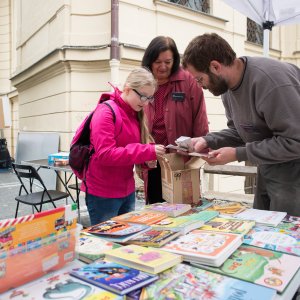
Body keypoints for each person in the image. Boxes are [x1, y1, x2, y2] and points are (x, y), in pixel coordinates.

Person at [182, 33, 300, 216]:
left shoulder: (271, 82)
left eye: (199, 79)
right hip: (268, 165)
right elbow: (241, 131)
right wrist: (208, 140)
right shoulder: (225, 88)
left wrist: (238, 153)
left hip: (294, 170)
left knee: (288, 236)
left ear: (215, 66)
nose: (199, 86)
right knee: (262, 227)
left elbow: (295, 141)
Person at [82, 67, 166, 225]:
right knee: (106, 243)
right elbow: (106, 154)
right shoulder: (105, 112)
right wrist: (146, 151)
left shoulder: (134, 112)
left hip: (126, 190)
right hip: (103, 193)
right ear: (127, 89)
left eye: (149, 98)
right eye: (142, 96)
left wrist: (145, 161)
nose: (146, 102)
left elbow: (129, 149)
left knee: (124, 241)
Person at [141, 36, 209, 204]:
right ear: (149, 61)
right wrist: (138, 159)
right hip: (152, 161)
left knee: (183, 208)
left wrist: (197, 155)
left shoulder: (188, 81)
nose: (163, 67)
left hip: (181, 161)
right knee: (156, 211)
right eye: (157, 62)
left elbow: (200, 121)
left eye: (168, 61)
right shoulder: (143, 83)